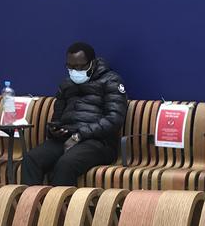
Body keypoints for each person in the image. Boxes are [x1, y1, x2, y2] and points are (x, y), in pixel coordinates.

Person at [21, 42, 127, 186]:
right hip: (66, 138)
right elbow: (57, 118)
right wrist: (54, 131)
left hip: (98, 142)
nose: (75, 71)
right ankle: (31, 206)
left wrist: (80, 135)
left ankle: (59, 208)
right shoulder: (66, 84)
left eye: (81, 66)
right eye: (71, 67)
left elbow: (114, 119)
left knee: (66, 164)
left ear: (93, 63)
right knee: (31, 159)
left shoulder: (111, 81)